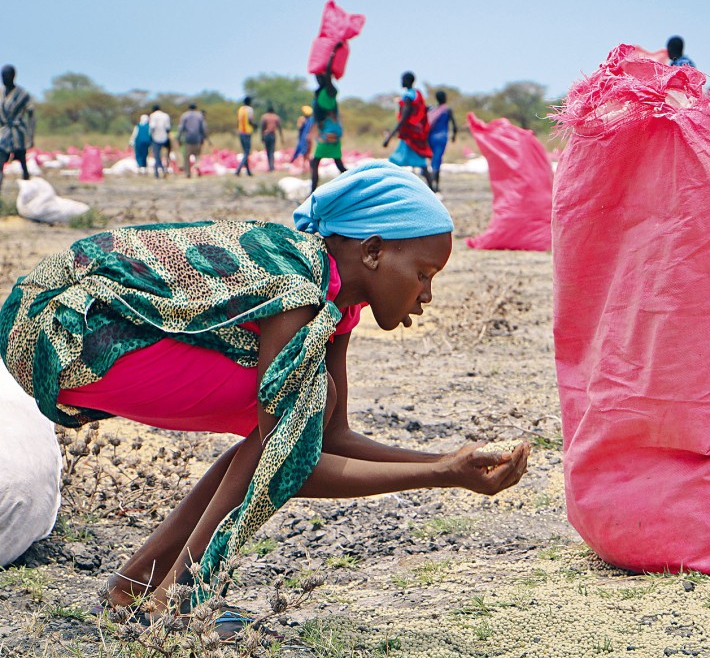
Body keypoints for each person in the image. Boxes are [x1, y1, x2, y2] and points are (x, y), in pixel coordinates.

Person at [0, 160, 530, 635]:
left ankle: (137, 586)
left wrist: (446, 462)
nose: (427, 295)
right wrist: (439, 475)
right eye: (423, 274)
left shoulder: (336, 302)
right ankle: (180, 600)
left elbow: (330, 437)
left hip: (86, 333)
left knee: (300, 410)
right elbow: (290, 460)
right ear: (371, 251)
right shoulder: (299, 285)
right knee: (296, 410)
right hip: (60, 330)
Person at [383, 72, 433, 188]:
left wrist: (389, 137)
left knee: (394, 161)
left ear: (408, 81)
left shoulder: (408, 97)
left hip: (409, 136)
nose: (401, 82)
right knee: (421, 163)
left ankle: (390, 187)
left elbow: (404, 118)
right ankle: (432, 189)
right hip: (415, 134)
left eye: (403, 80)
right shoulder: (417, 94)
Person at [311, 43, 348, 193]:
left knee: (316, 162)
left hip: (331, 130)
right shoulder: (321, 93)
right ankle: (355, 183)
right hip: (328, 129)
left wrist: (333, 52)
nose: (318, 79)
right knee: (337, 163)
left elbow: (327, 73)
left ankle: (312, 192)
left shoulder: (331, 90)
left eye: (321, 77)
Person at [0, 64, 35, 197]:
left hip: (17, 133)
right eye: (2, 76)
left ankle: (28, 192)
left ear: (13, 77)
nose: (4, 79)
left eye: (6, 76)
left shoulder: (22, 94)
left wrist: (31, 135)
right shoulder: (0, 93)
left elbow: (31, 113)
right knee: (0, 161)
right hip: (4, 133)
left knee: (22, 163)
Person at [426, 90, 457, 193]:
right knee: (437, 160)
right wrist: (454, 136)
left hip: (430, 138)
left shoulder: (432, 110)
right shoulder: (447, 110)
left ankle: (433, 185)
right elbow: (454, 126)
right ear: (445, 98)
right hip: (442, 138)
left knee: (433, 160)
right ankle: (433, 185)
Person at [178, 103, 207, 178]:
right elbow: (202, 128)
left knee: (187, 156)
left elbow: (181, 128)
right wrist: (203, 137)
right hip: (197, 138)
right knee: (197, 154)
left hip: (188, 138)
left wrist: (179, 137)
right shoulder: (199, 116)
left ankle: (188, 173)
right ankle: (197, 166)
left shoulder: (185, 115)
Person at [149, 104, 172, 179]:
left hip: (156, 138)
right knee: (166, 155)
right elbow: (168, 128)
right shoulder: (165, 115)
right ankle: (163, 171)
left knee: (157, 156)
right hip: (165, 137)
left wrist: (150, 136)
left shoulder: (153, 115)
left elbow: (152, 127)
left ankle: (158, 172)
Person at [235, 96, 256, 177]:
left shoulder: (240, 109)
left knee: (245, 152)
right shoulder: (250, 109)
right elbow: (250, 120)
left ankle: (248, 171)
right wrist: (254, 126)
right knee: (247, 152)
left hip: (241, 132)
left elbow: (238, 121)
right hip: (247, 132)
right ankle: (238, 169)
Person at [259, 104, 284, 172]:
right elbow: (279, 128)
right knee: (272, 151)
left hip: (266, 135)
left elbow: (262, 127)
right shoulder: (276, 117)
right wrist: (281, 137)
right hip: (272, 135)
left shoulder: (264, 117)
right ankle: (271, 166)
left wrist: (262, 136)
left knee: (268, 151)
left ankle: (270, 166)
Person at [291, 105, 314, 173]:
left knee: (303, 152)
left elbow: (299, 127)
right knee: (307, 153)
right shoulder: (311, 120)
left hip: (304, 138)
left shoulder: (303, 119)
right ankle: (307, 167)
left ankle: (304, 167)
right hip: (309, 138)